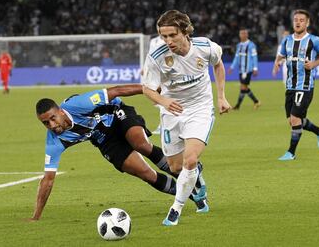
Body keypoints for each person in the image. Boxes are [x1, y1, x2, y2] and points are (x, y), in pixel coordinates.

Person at [29, 84, 207, 221]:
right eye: (45, 123)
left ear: (60, 111)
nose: (52, 125)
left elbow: (115, 91)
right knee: (145, 174)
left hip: (117, 115)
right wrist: (36, 216)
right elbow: (48, 180)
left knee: (140, 144)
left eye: (53, 118)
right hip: (104, 140)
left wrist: (148, 90)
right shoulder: (54, 141)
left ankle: (187, 172)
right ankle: (191, 194)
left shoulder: (78, 104)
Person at [142, 10, 231, 226]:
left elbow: (218, 64)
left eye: (172, 35)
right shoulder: (157, 56)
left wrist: (221, 97)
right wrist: (164, 102)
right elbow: (147, 89)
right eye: (164, 36)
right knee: (174, 167)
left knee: (189, 159)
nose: (168, 41)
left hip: (200, 109)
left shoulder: (206, 47)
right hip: (172, 112)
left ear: (185, 31)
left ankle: (176, 209)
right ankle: (197, 176)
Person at [272, 9, 319, 161]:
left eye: (301, 20)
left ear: (307, 23)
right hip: (290, 86)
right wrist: (277, 62)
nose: (298, 22)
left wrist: (314, 63)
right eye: (295, 20)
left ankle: (291, 153)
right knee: (294, 121)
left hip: (304, 86)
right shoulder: (287, 40)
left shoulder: (314, 40)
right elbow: (281, 54)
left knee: (294, 118)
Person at [228, 28, 261, 110]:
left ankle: (238, 106)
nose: (243, 35)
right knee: (244, 88)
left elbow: (254, 57)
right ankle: (256, 101)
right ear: (239, 35)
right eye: (241, 33)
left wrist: (255, 68)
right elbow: (236, 57)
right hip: (241, 70)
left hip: (248, 70)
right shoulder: (238, 46)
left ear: (247, 34)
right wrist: (232, 67)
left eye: (244, 33)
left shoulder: (251, 45)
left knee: (243, 87)